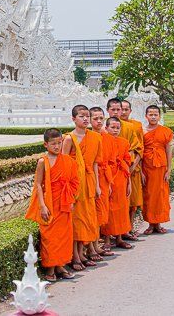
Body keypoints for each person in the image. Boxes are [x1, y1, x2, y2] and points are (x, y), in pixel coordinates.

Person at [25, 128, 80, 282]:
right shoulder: (43, 161)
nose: (57, 146)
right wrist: (42, 206)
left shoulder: (68, 160)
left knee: (64, 236)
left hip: (64, 203)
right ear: (45, 144)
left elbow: (75, 182)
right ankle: (50, 268)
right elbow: (38, 186)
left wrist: (71, 200)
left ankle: (61, 266)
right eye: (53, 143)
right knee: (50, 237)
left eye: (59, 143)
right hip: (49, 203)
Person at [63, 105, 102, 271]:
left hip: (89, 182)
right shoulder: (69, 139)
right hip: (74, 184)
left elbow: (94, 163)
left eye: (87, 116)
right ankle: (75, 256)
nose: (85, 119)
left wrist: (97, 185)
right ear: (73, 119)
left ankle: (82, 252)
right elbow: (63, 165)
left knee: (86, 219)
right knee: (75, 221)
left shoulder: (94, 137)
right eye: (81, 116)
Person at [107, 98, 143, 240]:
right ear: (108, 110)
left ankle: (125, 231)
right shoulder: (103, 130)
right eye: (113, 109)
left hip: (125, 171)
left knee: (127, 204)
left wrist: (131, 168)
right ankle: (107, 236)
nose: (116, 112)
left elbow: (137, 149)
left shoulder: (128, 128)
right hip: (108, 174)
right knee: (109, 206)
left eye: (118, 109)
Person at [100, 117, 134, 249]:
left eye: (117, 128)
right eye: (112, 127)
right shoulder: (102, 140)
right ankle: (107, 239)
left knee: (122, 208)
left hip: (121, 176)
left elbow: (127, 162)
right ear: (106, 128)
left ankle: (119, 238)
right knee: (109, 208)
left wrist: (129, 183)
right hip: (108, 175)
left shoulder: (124, 142)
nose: (115, 130)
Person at [141, 105, 173, 235]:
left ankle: (158, 224)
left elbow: (169, 150)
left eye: (155, 114)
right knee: (148, 195)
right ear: (146, 116)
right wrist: (141, 171)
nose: (153, 117)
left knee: (160, 195)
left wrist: (169, 169)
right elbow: (140, 152)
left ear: (159, 116)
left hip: (161, 167)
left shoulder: (165, 131)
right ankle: (150, 223)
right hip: (147, 167)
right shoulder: (142, 131)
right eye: (150, 114)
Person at [89, 107, 114, 256]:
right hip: (92, 177)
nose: (99, 121)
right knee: (92, 213)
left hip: (104, 176)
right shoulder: (88, 136)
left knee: (101, 212)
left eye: (101, 118)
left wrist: (109, 183)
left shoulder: (107, 137)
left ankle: (97, 244)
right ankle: (91, 247)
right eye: (95, 118)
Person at [121, 100, 145, 240]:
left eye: (126, 109)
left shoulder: (136, 125)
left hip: (133, 168)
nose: (123, 112)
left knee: (133, 202)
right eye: (121, 109)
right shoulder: (112, 125)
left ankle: (129, 227)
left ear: (130, 111)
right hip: (118, 169)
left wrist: (134, 166)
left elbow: (139, 148)